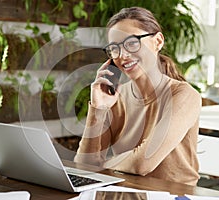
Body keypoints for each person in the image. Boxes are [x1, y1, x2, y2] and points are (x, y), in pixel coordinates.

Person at [74, 7, 201, 186]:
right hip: (125, 193)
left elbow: (142, 164)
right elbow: (84, 166)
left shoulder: (184, 95)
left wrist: (102, 167)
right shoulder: (115, 97)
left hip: (173, 196)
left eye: (132, 43)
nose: (123, 55)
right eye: (114, 48)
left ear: (157, 42)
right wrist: (98, 108)